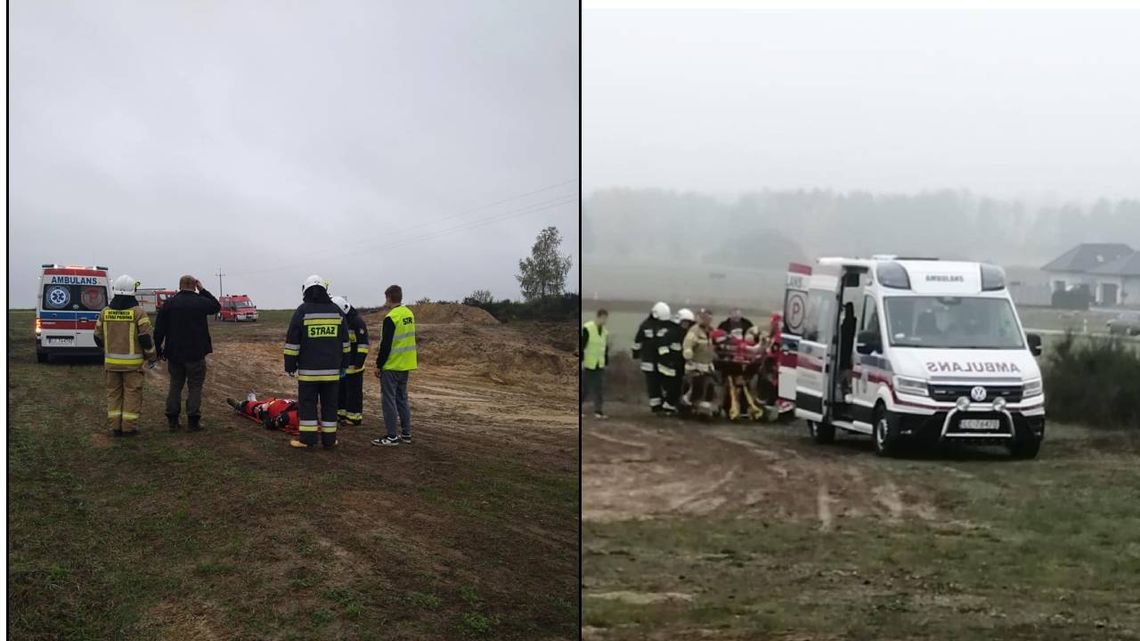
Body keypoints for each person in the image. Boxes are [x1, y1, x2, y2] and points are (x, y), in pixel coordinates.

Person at [284, 275, 350, 449]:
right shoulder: (337, 311)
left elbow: (292, 343)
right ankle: (330, 440)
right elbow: (346, 342)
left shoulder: (302, 311)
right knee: (330, 405)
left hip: (308, 373)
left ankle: (307, 439)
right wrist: (344, 365)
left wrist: (290, 365)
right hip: (332, 373)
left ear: (306, 291)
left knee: (308, 405)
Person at [153, 275, 221, 431]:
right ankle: (193, 421)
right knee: (195, 387)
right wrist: (203, 290)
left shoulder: (169, 304)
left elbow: (159, 330)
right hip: (196, 354)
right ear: (194, 286)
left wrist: (158, 349)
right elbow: (216, 306)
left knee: (175, 386)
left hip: (175, 354)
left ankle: (172, 421)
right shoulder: (200, 302)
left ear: (180, 285)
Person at [94, 275, 158, 436]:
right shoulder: (138, 313)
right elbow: (146, 339)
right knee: (132, 395)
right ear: (132, 292)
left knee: (113, 395)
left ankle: (115, 427)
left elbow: (97, 337)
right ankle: (129, 428)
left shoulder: (105, 312)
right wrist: (151, 358)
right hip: (133, 366)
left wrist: (108, 349)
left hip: (111, 365)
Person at [371, 285, 417, 447]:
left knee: (388, 401)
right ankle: (406, 434)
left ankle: (391, 436)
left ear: (389, 297)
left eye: (386, 298)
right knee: (402, 399)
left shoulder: (392, 317)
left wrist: (379, 365)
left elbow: (386, 345)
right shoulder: (409, 314)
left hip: (391, 366)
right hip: (406, 365)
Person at [332, 296, 370, 427]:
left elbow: (363, 345)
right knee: (340, 392)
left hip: (355, 367)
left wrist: (358, 362)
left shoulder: (357, 322)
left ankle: (354, 417)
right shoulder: (341, 321)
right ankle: (341, 414)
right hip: (343, 366)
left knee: (353, 394)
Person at [632, 301, 670, 413]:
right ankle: (655, 406)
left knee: (663, 383)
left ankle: (663, 404)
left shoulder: (663, 325)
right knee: (653, 385)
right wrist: (636, 354)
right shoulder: (645, 326)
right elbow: (637, 342)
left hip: (661, 361)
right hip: (649, 361)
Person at [683, 308, 719, 417]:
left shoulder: (711, 332)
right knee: (696, 387)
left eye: (709, 317)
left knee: (710, 387)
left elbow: (712, 346)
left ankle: (705, 407)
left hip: (707, 365)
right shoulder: (694, 331)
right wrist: (689, 357)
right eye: (704, 317)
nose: (706, 320)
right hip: (695, 365)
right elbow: (687, 346)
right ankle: (688, 406)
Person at [658, 308, 694, 413]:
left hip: (679, 365)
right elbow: (662, 348)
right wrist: (667, 360)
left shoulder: (687, 335)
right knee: (671, 386)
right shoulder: (671, 333)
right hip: (668, 366)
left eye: (688, 323)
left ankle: (674, 404)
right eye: (685, 322)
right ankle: (668, 405)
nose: (686, 324)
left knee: (679, 386)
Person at [580, 309, 610, 419]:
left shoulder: (605, 332)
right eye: (603, 318)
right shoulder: (588, 328)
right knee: (585, 388)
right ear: (598, 317)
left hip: (599, 364)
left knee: (599, 388)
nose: (605, 320)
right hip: (588, 363)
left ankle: (598, 411)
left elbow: (605, 348)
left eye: (606, 318)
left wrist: (606, 360)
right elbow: (582, 345)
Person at [227, 393, 299, 436]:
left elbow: (269, 424)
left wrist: (265, 411)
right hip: (280, 404)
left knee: (250, 406)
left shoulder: (289, 417)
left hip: (268, 410)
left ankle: (240, 406)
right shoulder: (302, 408)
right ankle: (255, 402)